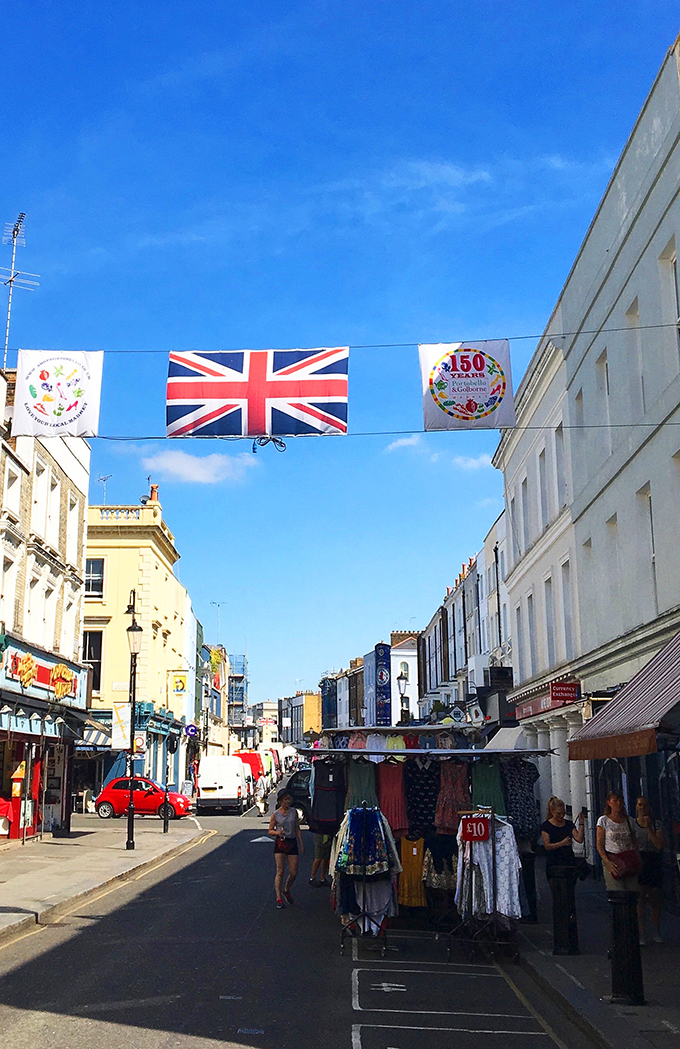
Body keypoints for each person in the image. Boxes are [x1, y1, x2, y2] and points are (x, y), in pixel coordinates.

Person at [596, 791, 640, 894]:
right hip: (613, 859)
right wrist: (607, 862)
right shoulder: (604, 821)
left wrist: (638, 859)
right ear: (609, 803)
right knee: (617, 893)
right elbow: (599, 844)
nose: (618, 803)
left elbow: (634, 841)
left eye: (620, 800)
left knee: (632, 893)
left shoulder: (629, 820)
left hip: (629, 859)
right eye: (615, 801)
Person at [634, 796, 664, 944]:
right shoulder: (632, 824)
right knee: (640, 899)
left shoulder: (656, 824)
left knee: (655, 899)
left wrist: (648, 828)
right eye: (640, 805)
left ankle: (656, 931)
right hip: (640, 861)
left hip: (653, 861)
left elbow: (659, 845)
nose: (642, 807)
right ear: (636, 807)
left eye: (645, 805)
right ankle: (642, 933)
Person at [268, 790, 304, 909]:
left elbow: (297, 828)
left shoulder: (294, 812)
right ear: (280, 801)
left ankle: (286, 889)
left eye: (289, 799)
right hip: (280, 842)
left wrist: (301, 843)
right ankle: (278, 898)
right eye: (285, 799)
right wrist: (278, 832)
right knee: (280, 871)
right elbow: (270, 830)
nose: (288, 802)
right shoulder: (275, 814)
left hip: (292, 841)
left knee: (293, 872)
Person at [540, 796, 584, 871]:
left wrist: (581, 824)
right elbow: (547, 846)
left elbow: (579, 839)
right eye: (558, 813)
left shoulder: (568, 824)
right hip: (554, 863)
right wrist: (562, 843)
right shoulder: (546, 826)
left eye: (563, 813)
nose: (561, 816)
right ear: (552, 812)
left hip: (569, 862)